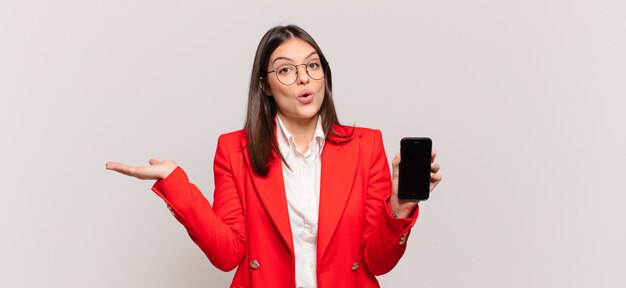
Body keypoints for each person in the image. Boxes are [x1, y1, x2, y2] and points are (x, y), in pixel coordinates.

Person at [106, 24, 442, 288]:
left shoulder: (365, 146)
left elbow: (378, 261)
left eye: (313, 65)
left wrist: (399, 204)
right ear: (265, 85)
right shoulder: (234, 150)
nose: (304, 78)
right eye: (285, 70)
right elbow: (228, 254)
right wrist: (175, 183)